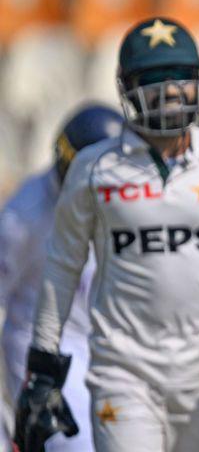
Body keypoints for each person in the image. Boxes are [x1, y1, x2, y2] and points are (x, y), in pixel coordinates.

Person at [15, 17, 199, 452]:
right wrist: (43, 367)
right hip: (123, 373)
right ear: (126, 87)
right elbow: (61, 267)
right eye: (155, 79)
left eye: (180, 76)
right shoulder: (94, 168)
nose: (170, 91)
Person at [0, 105, 124, 452]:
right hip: (43, 350)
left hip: (104, 345)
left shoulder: (126, 203)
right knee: (80, 445)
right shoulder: (23, 217)